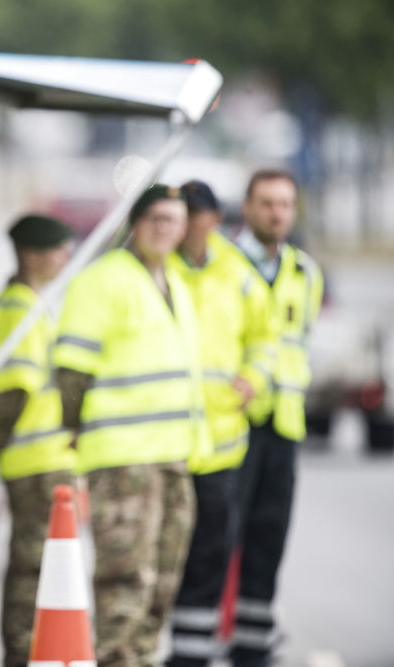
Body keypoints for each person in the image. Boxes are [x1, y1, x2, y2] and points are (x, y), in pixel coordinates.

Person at [53, 184, 210, 667]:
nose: (164, 229)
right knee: (125, 583)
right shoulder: (102, 280)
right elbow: (72, 371)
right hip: (124, 459)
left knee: (162, 582)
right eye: (155, 219)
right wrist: (75, 429)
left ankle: (139, 659)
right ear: (135, 224)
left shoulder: (175, 282)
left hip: (172, 455)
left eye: (173, 220)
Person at [164, 181, 278, 666]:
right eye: (182, 215)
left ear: (213, 219)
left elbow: (266, 336)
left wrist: (253, 377)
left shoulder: (236, 271)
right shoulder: (157, 267)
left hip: (220, 442)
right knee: (161, 556)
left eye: (198, 215)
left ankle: (190, 654)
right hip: (165, 440)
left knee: (210, 554)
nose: (190, 225)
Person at [0, 213, 78, 667]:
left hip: (42, 456)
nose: (67, 258)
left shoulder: (30, 302)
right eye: (59, 250)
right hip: (36, 460)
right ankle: (21, 653)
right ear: (31, 255)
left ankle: (30, 650)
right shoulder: (19, 308)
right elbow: (13, 390)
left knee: (40, 565)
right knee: (33, 567)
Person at [229, 169, 323, 666]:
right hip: (234, 421)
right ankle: (205, 638)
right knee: (220, 540)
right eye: (266, 203)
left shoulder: (305, 272)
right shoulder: (225, 266)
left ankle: (252, 644)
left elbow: (299, 346)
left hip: (283, 425)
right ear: (247, 207)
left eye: (284, 205)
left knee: (268, 539)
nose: (276, 214)